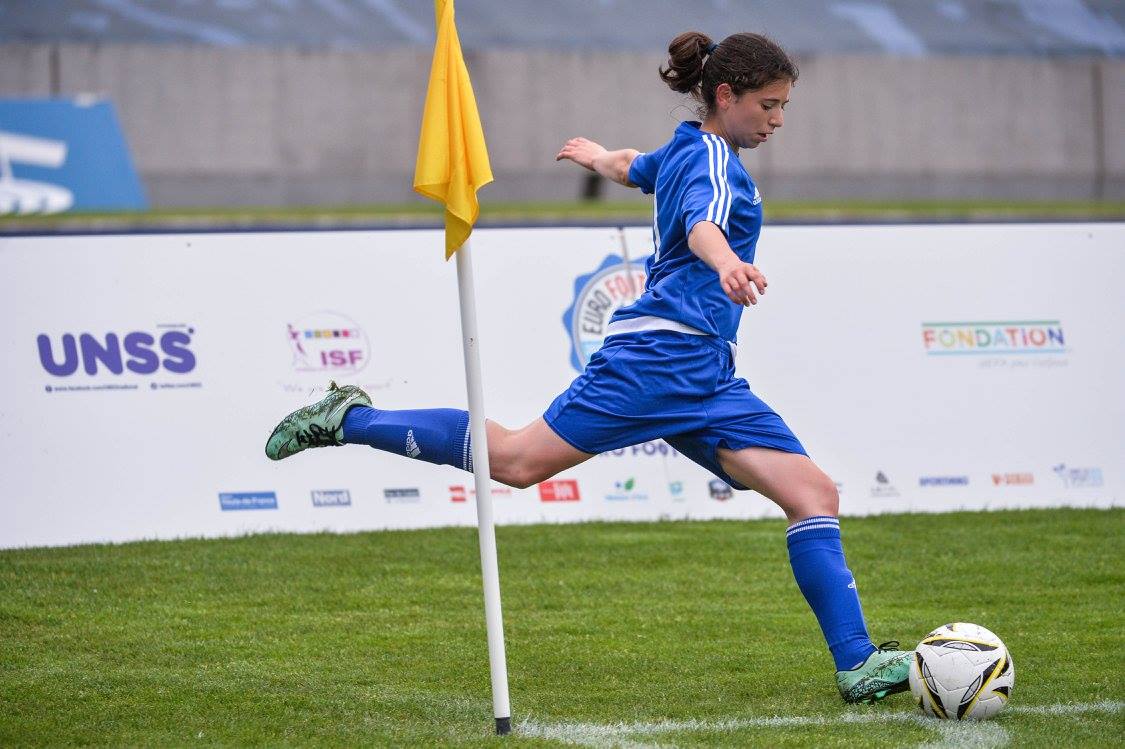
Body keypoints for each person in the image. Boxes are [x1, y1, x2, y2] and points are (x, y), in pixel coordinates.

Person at [265, 31, 910, 704]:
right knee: (514, 461)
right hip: (657, 361)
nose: (777, 120)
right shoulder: (714, 163)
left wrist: (598, 157)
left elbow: (639, 167)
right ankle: (350, 416)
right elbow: (700, 225)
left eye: (783, 107)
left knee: (812, 495)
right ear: (726, 96)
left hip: (706, 374)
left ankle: (856, 664)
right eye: (769, 105)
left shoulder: (687, 146)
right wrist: (726, 264)